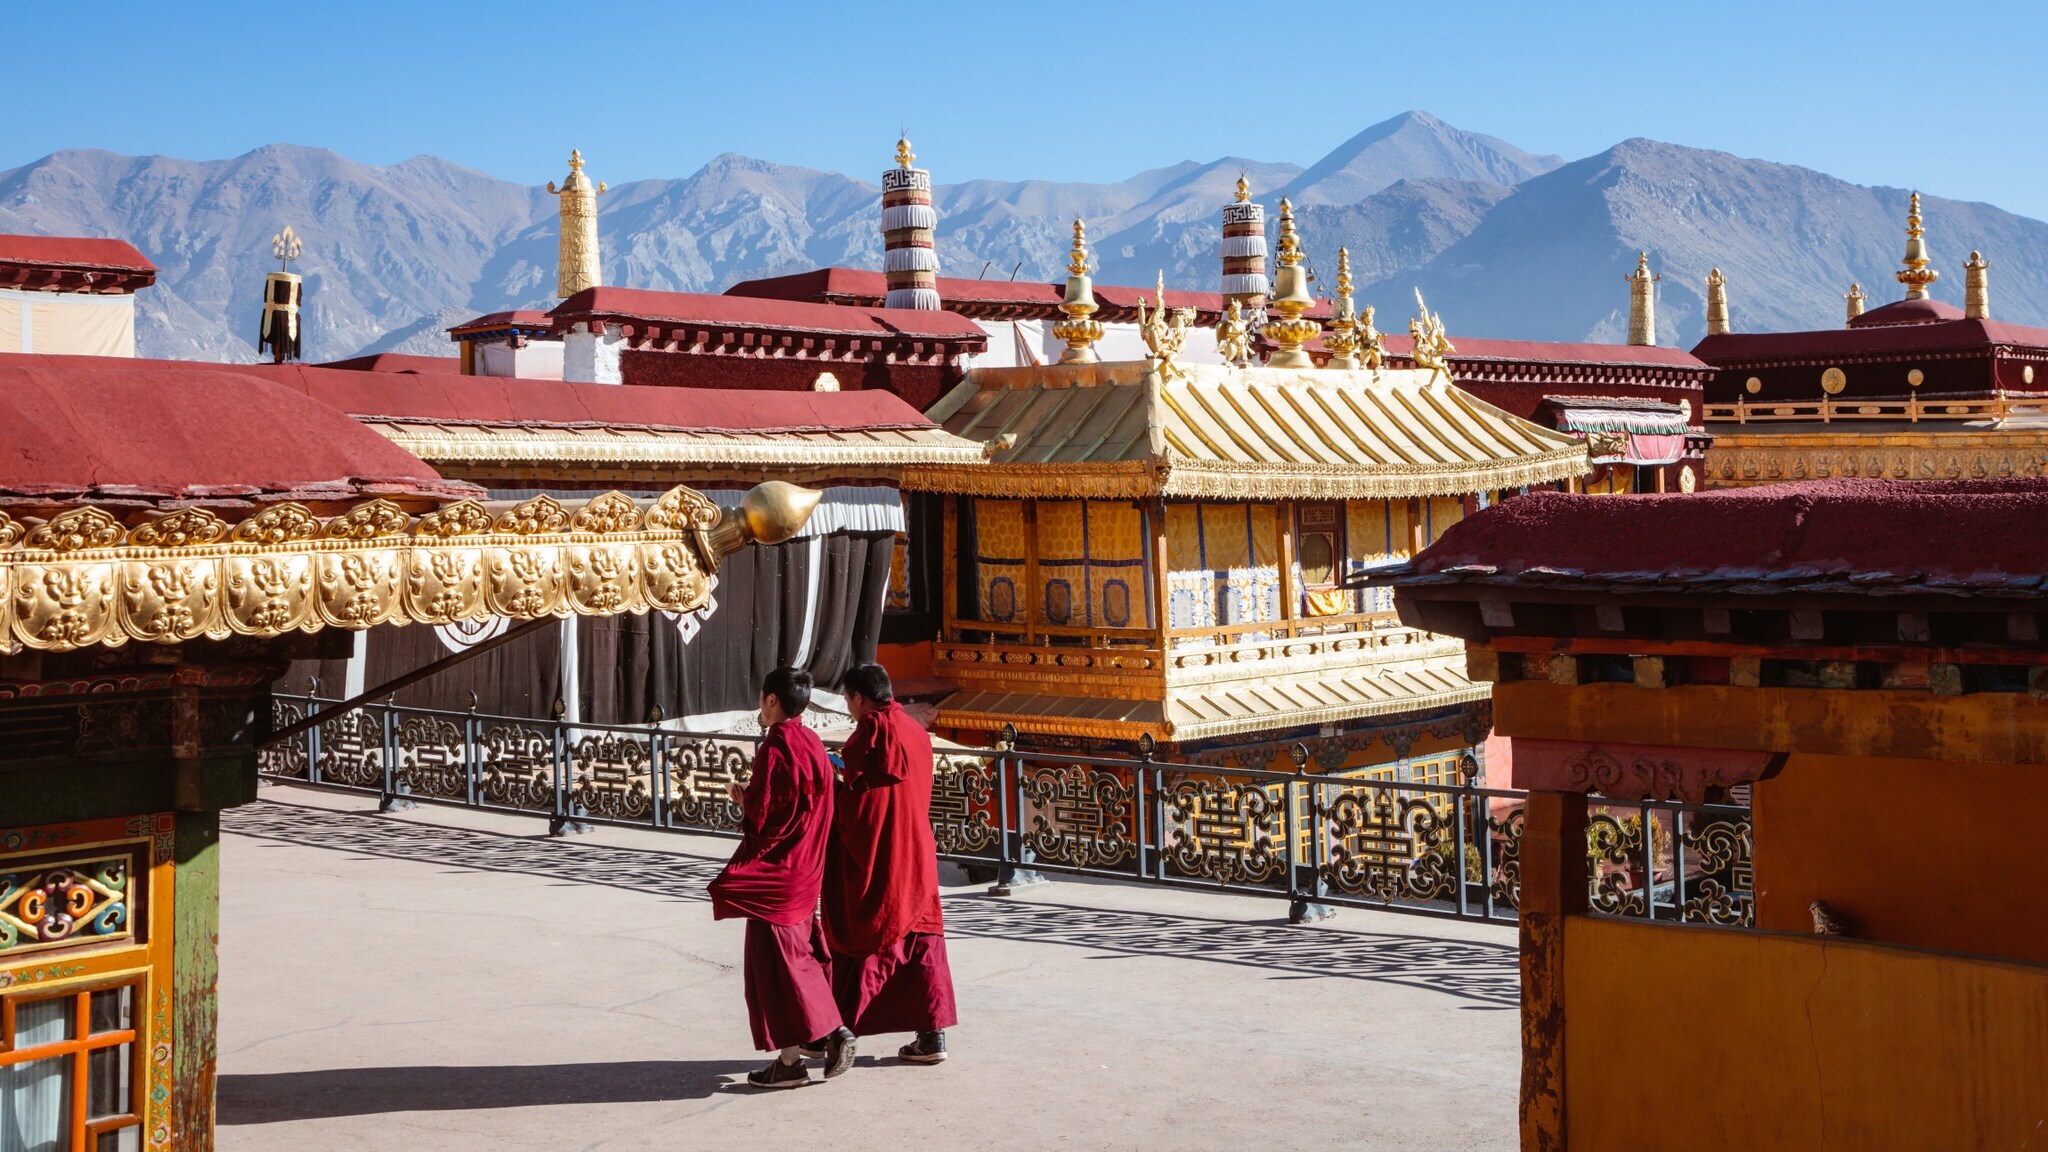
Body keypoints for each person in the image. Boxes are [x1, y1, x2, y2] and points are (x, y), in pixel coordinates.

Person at [709, 667, 856, 1088]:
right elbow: (809, 803)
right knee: (797, 959)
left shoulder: (775, 747)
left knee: (776, 966)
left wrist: (746, 800)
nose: (760, 704)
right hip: (807, 870)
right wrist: (753, 797)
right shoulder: (810, 740)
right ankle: (793, 1058)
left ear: (772, 700)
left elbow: (772, 818)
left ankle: (827, 1036)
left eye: (761, 697)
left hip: (778, 876)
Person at [817, 662, 958, 1064]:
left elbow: (862, 807)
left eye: (847, 699)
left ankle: (838, 1029)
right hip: (918, 851)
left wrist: (832, 783)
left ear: (859, 697)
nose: (849, 708)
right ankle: (932, 1037)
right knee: (923, 943)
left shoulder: (870, 734)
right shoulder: (916, 731)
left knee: (862, 931)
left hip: (882, 858)